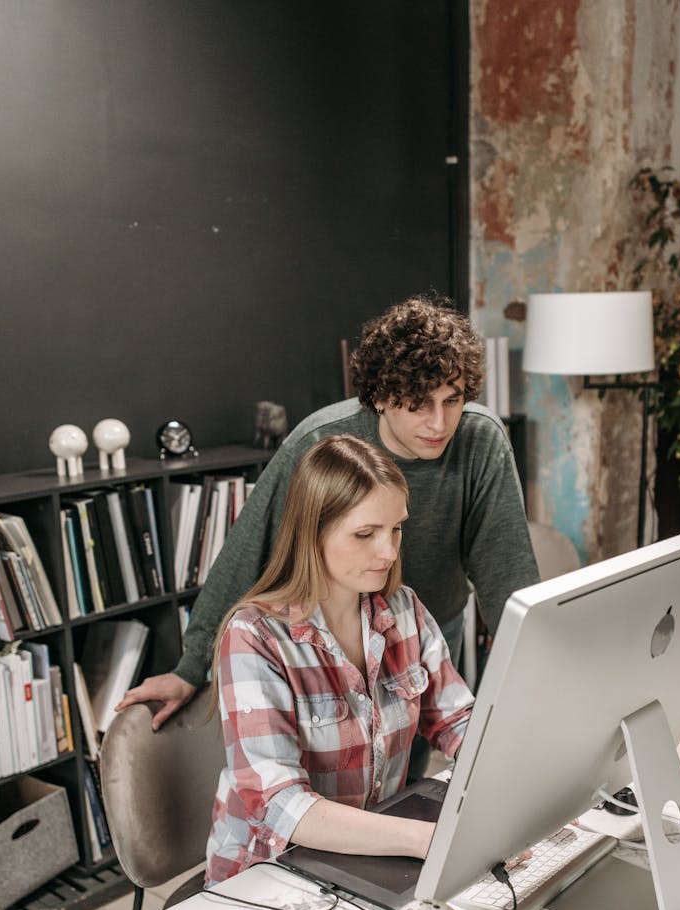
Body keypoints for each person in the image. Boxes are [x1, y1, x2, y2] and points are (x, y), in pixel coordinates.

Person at [117, 295, 539, 768]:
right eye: (419, 405)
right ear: (381, 395)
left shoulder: (480, 440)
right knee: (336, 777)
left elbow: (508, 574)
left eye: (453, 400)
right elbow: (246, 551)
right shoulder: (321, 443)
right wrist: (191, 667)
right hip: (328, 636)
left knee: (404, 774)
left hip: (427, 626)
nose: (439, 423)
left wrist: (537, 685)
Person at [205, 436, 474, 883]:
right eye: (365, 534)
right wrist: (428, 839)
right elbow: (280, 804)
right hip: (270, 873)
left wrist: (507, 784)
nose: (388, 552)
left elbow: (456, 719)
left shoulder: (404, 609)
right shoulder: (253, 635)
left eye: (396, 529)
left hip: (365, 857)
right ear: (312, 532)